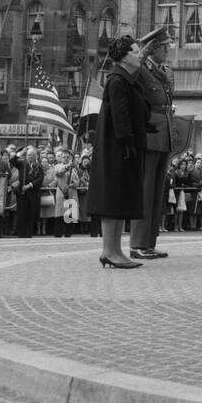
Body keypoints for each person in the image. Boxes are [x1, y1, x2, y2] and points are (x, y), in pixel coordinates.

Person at [90, 35, 148, 267]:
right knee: (112, 199)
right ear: (123, 57)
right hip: (117, 148)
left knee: (120, 199)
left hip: (124, 145)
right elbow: (120, 116)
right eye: (135, 51)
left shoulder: (126, 79)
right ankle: (108, 251)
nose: (139, 54)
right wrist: (128, 143)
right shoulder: (117, 80)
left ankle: (115, 250)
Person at [129, 27, 176, 260]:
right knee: (145, 192)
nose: (168, 50)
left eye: (168, 46)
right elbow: (128, 72)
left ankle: (148, 242)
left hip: (164, 133)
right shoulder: (142, 68)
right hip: (149, 134)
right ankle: (137, 243)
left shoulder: (162, 71)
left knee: (157, 193)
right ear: (153, 49)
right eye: (164, 47)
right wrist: (142, 54)